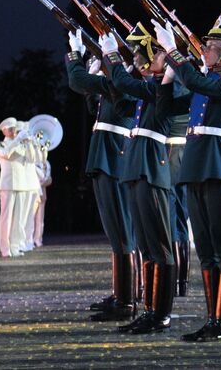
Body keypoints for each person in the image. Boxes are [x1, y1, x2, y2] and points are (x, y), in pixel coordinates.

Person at [162, 15, 221, 343]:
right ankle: (212, 318)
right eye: (205, 46)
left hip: (219, 168)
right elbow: (168, 107)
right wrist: (166, 76)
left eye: (212, 47)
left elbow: (199, 82)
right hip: (196, 167)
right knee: (205, 248)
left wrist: (175, 53)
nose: (205, 51)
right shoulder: (206, 82)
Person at [105, 29, 188, 335]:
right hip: (138, 165)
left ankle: (161, 313)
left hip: (154, 165)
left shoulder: (169, 88)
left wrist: (112, 56)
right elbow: (123, 90)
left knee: (160, 245)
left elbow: (126, 83)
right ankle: (150, 309)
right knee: (145, 244)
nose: (145, 60)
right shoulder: (151, 86)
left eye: (152, 55)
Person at [65, 36, 139, 320]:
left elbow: (77, 82)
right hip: (106, 156)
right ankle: (122, 293)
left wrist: (75, 55)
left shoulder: (126, 82)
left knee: (123, 232)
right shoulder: (119, 81)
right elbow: (92, 101)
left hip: (115, 157)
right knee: (115, 232)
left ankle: (127, 300)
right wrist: (94, 71)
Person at [0, 117, 37, 259]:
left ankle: (15, 245)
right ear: (4, 130)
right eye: (11, 129)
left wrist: (30, 143)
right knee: (6, 218)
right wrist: (18, 140)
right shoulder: (0, 145)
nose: (14, 131)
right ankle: (5, 248)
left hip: (21, 184)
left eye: (15, 128)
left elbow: (32, 159)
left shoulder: (18, 144)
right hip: (7, 185)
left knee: (19, 219)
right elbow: (6, 153)